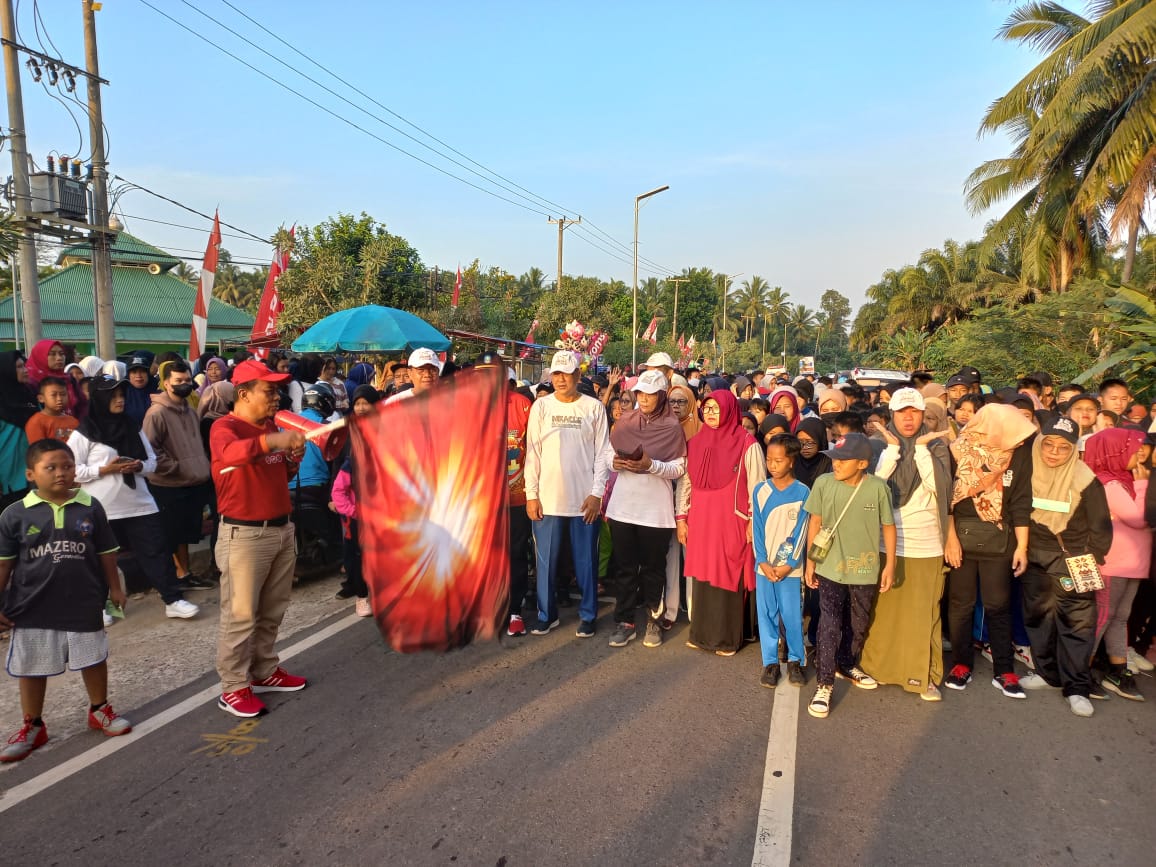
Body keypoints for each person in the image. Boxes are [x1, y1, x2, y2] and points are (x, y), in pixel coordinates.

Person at [0, 439, 130, 762]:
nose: (61, 473)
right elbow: (4, 562)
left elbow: (106, 551)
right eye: (51, 468)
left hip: (84, 600)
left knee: (93, 656)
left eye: (68, 466)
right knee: (32, 665)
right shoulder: (14, 515)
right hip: (31, 605)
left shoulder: (90, 506)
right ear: (31, 474)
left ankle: (99, 709)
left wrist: (115, 587)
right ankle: (33, 725)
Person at [211, 360, 308, 718]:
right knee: (240, 615)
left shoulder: (269, 427)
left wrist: (293, 458)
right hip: (244, 534)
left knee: (272, 609)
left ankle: (265, 670)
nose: (276, 397)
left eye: (278, 390)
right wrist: (272, 440)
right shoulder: (225, 428)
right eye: (269, 390)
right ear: (243, 393)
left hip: (280, 529)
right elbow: (229, 456)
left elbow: (279, 473)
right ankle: (234, 686)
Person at [68, 377, 200, 620]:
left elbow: (152, 462)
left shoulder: (132, 426)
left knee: (157, 551)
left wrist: (138, 466)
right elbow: (72, 470)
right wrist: (104, 470)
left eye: (121, 395)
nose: (120, 400)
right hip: (103, 508)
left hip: (139, 503)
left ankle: (172, 599)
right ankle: (99, 607)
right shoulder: (84, 433)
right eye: (113, 396)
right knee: (99, 558)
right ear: (100, 399)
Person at [861, 388, 953, 701]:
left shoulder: (938, 446)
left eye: (914, 411)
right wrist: (892, 450)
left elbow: (939, 489)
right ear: (892, 415)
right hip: (887, 542)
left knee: (921, 614)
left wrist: (923, 451)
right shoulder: (878, 447)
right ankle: (877, 667)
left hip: (925, 543)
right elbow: (873, 487)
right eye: (902, 412)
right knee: (883, 612)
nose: (909, 418)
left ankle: (922, 675)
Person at [1019, 416, 1112, 717]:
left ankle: (1077, 688)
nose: (1054, 453)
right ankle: (1048, 675)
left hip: (1074, 559)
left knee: (1077, 626)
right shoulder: (1027, 472)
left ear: (1073, 449)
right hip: (1034, 558)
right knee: (1039, 619)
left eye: (1063, 447)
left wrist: (1090, 556)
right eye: (1048, 445)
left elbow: (1100, 525)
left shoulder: (1085, 479)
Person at [942, 404, 1036, 698]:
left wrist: (1022, 546)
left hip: (1001, 537)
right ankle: (960, 663)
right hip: (962, 537)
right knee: (961, 604)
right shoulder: (956, 450)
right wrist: (950, 539)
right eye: (1014, 431)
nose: (1020, 439)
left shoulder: (1018, 454)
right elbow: (946, 498)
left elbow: (1021, 501)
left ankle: (1004, 669)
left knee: (999, 605)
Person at [803, 433, 896, 719]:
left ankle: (847, 663)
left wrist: (890, 565)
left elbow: (888, 527)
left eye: (843, 461)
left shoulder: (878, 488)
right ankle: (824, 683)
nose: (836, 465)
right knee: (829, 622)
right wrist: (810, 562)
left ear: (862, 463)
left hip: (865, 569)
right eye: (835, 459)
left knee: (858, 620)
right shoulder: (823, 484)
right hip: (830, 566)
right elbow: (815, 522)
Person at [523, 350, 611, 637]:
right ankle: (547, 615)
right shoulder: (542, 408)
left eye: (566, 374)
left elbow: (602, 455)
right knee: (545, 561)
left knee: (586, 560)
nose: (561, 379)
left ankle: (588, 614)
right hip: (548, 500)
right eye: (556, 374)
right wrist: (531, 494)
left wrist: (597, 493)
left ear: (577, 376)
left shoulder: (593, 408)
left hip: (583, 500)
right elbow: (533, 452)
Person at [679, 389, 767, 656]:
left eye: (717, 409)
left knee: (728, 575)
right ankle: (702, 634)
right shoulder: (695, 442)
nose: (711, 414)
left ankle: (727, 639)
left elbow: (758, 486)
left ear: (730, 410)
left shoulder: (747, 443)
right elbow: (686, 483)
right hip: (702, 520)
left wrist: (754, 521)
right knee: (704, 575)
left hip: (732, 520)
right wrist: (681, 517)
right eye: (707, 409)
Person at [605, 370, 687, 649]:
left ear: (662, 395)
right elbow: (606, 453)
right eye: (640, 392)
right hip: (622, 508)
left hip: (655, 512)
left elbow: (678, 468)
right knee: (625, 569)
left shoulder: (672, 426)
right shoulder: (625, 421)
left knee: (653, 569)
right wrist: (614, 463)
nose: (644, 398)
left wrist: (651, 466)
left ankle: (654, 619)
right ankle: (625, 621)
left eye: (650, 393)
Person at [1083, 428, 1149, 701]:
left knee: (1120, 617)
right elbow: (1138, 518)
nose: (1140, 452)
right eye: (1134, 447)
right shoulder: (1108, 483)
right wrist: (1144, 486)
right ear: (1116, 452)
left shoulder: (1126, 479)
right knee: (1102, 617)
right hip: (1113, 563)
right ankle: (1081, 670)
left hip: (1133, 562)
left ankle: (1117, 668)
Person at [143, 361, 214, 590]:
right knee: (171, 534)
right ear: (166, 383)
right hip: (168, 484)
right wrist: (175, 467)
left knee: (184, 533)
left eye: (186, 380)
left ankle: (185, 574)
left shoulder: (190, 411)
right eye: (178, 381)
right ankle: (177, 575)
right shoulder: (156, 413)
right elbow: (150, 449)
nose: (184, 384)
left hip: (191, 482)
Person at [752, 434, 809, 688]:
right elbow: (757, 530)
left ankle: (796, 660)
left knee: (791, 614)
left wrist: (788, 564)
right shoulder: (760, 490)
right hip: (765, 569)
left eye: (778, 460)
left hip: (790, 570)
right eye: (769, 460)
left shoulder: (803, 492)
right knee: (766, 615)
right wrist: (763, 562)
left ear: (791, 461)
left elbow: (801, 533)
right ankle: (770, 662)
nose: (772, 465)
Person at [503, 367, 534, 636]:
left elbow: (534, 451)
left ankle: (515, 610)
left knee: (515, 553)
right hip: (483, 501)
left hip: (517, 497)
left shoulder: (523, 406)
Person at [0, 351, 39, 512]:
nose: (25, 370)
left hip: (35, 475)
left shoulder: (31, 397)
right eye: (19, 367)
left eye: (24, 365)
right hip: (7, 478)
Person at [25, 339, 85, 418]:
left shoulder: (69, 379)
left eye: (61, 354)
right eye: (52, 354)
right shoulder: (31, 382)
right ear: (40, 356)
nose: (59, 358)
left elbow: (82, 407)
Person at [25, 376, 79, 444]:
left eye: (63, 394)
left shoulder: (73, 421)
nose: (59, 399)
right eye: (54, 395)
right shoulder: (36, 422)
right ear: (41, 398)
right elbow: (39, 450)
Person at [794, 418, 832, 489]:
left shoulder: (832, 466)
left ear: (820, 441)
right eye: (800, 441)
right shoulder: (791, 464)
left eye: (810, 442)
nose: (805, 447)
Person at [123, 353, 157, 426]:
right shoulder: (122, 391)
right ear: (128, 374)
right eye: (134, 372)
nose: (138, 376)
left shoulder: (158, 389)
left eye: (142, 371)